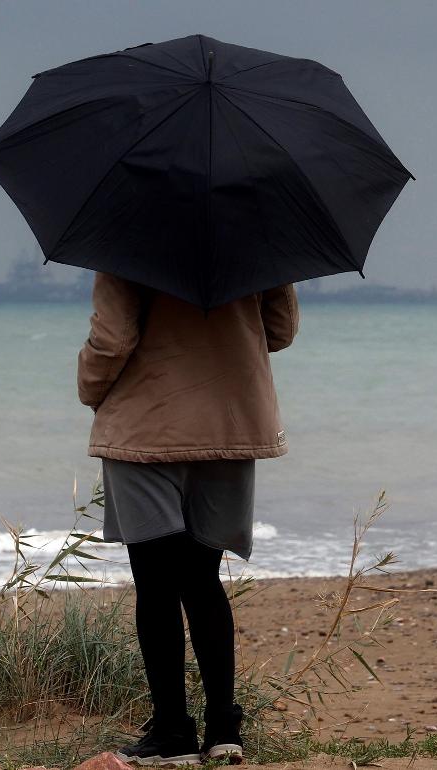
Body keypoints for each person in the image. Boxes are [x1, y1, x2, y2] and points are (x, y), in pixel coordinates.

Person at [76, 272, 299, 766]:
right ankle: (223, 730)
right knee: (202, 579)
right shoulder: (254, 234)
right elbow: (279, 331)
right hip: (231, 424)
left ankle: (173, 732)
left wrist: (90, 388)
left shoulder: (128, 236)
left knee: (155, 584)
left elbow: (112, 340)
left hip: (144, 429)